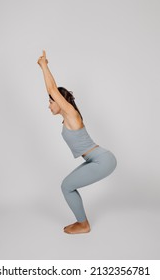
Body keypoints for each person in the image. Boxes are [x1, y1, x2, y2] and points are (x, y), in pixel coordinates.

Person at [37, 50, 117, 234]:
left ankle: (83, 224)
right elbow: (52, 92)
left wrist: (44, 65)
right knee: (67, 185)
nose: (49, 105)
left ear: (60, 101)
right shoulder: (69, 118)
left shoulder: (71, 114)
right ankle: (82, 222)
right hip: (94, 159)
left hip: (102, 160)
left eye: (51, 102)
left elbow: (51, 89)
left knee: (66, 186)